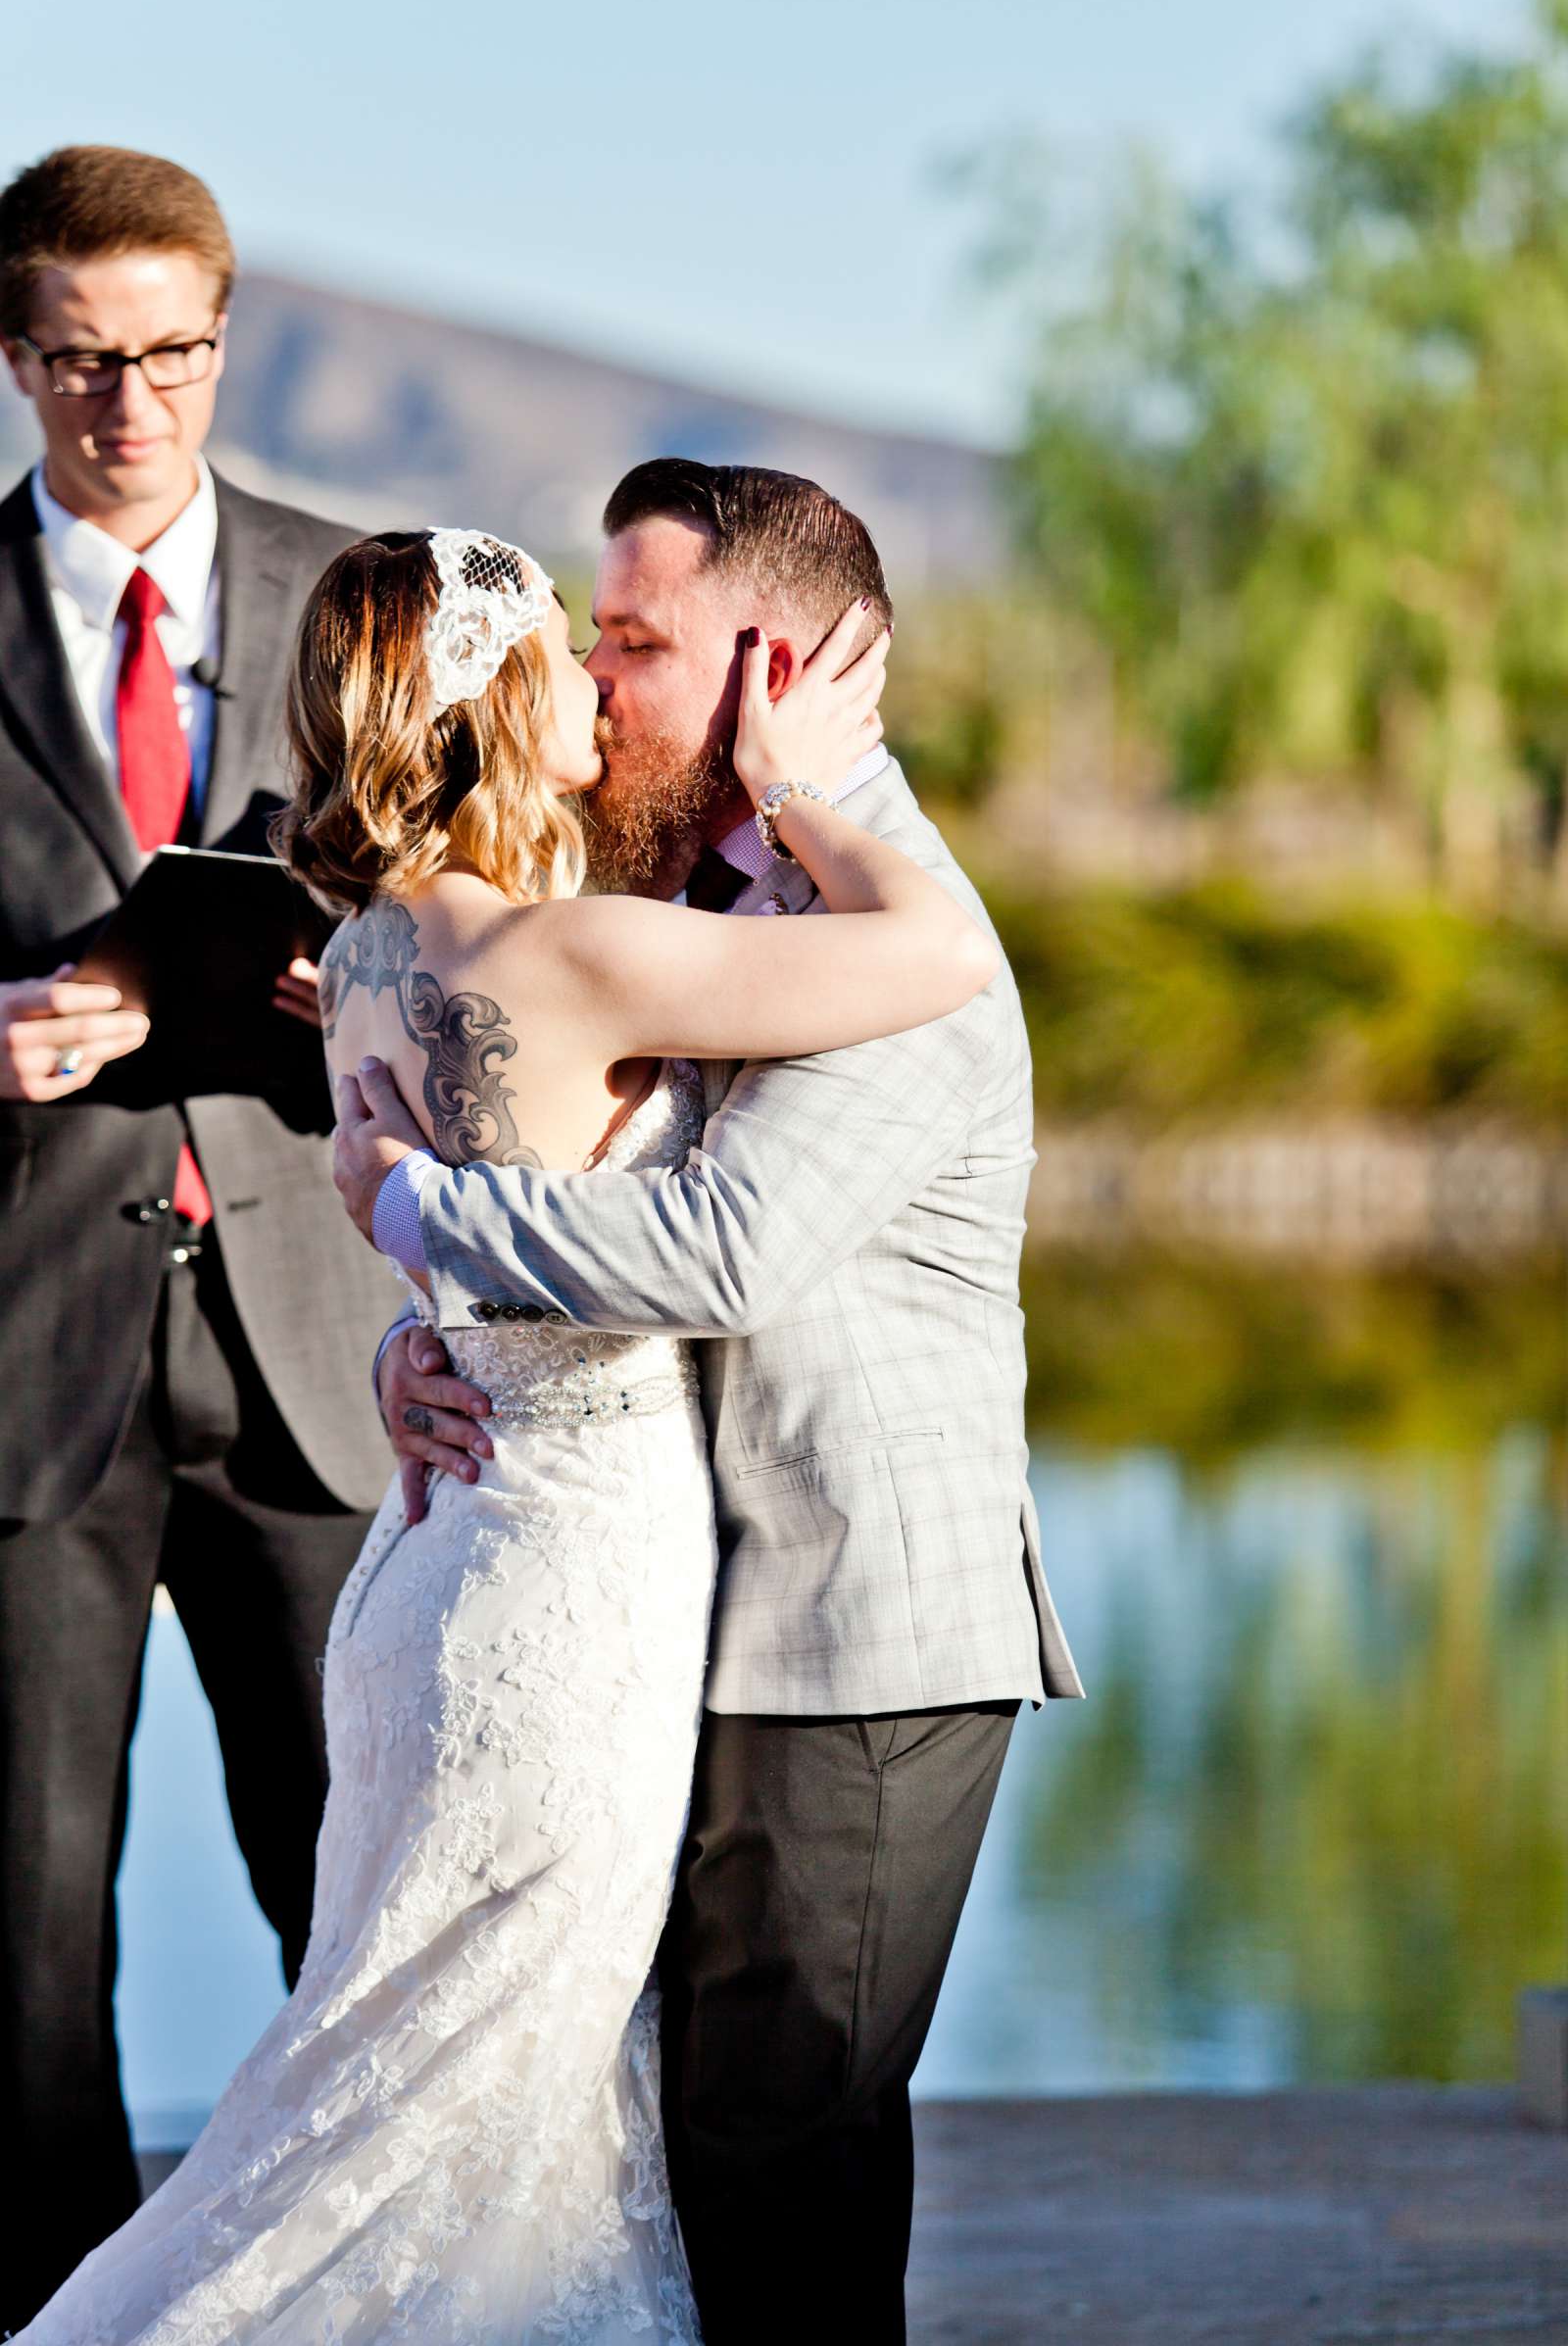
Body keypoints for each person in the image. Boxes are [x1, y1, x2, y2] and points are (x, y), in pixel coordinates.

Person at [14, 520, 996, 2341]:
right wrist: (812, 781)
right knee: (464, 2089)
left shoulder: (369, 951)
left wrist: (416, 1294)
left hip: (436, 1558)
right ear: (491, 698)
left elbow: (447, 1209)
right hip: (571, 1596)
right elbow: (935, 946)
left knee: (396, 2069)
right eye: (570, 645)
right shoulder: (581, 952)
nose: (597, 682)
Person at [337, 459, 1086, 2345]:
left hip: (859, 1634)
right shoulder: (682, 895)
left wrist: (419, 1204)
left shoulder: (905, 942)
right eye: (591, 638)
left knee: (786, 2149)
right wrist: (435, 1333)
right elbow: (575, 1202)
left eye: (637, 644)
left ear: (779, 671)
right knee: (677, 2146)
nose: (591, 687)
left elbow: (726, 1244)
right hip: (661, 1616)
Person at [0, 144, 396, 2330]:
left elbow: (476, 911)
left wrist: (307, 987)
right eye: (76, 361)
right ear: (16, 354)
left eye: (163, 356)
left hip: (317, 1349)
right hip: (22, 1363)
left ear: (222, 342)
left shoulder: (367, 601)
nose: (124, 404)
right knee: (22, 1940)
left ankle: (353, 2296)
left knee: (353, 1893)